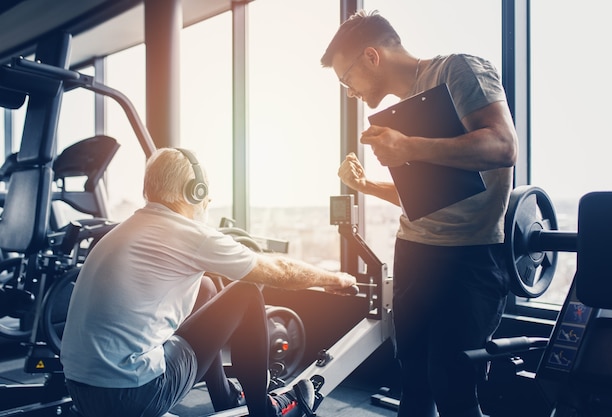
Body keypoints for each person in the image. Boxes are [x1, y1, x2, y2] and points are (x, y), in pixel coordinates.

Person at [321, 10, 518, 417]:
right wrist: (366, 186)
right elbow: (431, 196)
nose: (349, 91)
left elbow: (503, 146)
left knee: (453, 386)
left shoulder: (458, 71)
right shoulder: (404, 111)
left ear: (372, 57)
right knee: (413, 382)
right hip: (413, 251)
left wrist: (409, 147)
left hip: (469, 258)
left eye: (346, 79)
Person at [60, 147, 357, 417]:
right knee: (247, 293)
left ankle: (225, 395)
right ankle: (263, 410)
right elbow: (281, 271)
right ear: (195, 191)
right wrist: (335, 279)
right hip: (133, 395)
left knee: (206, 289)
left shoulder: (125, 229)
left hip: (82, 391)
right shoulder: (186, 233)